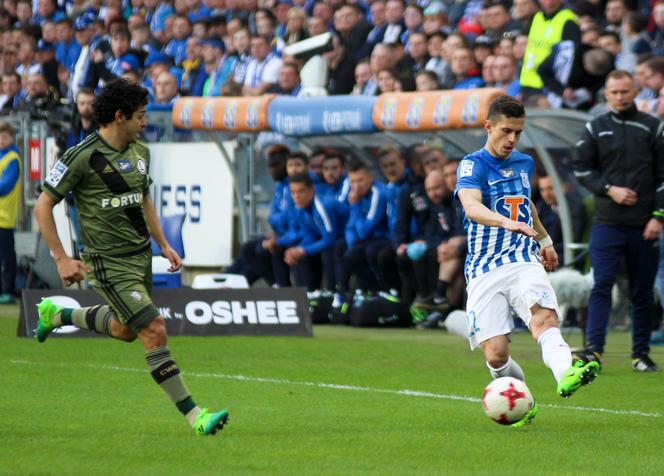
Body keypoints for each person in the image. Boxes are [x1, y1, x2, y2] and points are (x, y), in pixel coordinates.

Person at [33, 79, 229, 436]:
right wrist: (61, 257)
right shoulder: (80, 156)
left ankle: (57, 313)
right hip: (107, 262)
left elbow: (143, 198)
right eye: (139, 116)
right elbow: (44, 204)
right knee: (153, 330)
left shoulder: (141, 151)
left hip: (139, 256)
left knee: (125, 330)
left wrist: (165, 244)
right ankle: (195, 415)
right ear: (119, 116)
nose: (145, 123)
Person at [455, 95, 600, 428]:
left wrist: (544, 239)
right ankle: (524, 401)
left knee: (543, 318)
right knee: (496, 355)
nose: (512, 139)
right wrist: (506, 222)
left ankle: (568, 372)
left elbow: (527, 205)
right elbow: (471, 206)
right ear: (489, 126)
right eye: (506, 131)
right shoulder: (472, 164)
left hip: (523, 257)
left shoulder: (524, 162)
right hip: (484, 266)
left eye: (518, 132)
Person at [573, 70, 664, 372]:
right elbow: (581, 169)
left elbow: (663, 178)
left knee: (642, 290)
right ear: (606, 95)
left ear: (636, 90)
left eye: (625, 91)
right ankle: (594, 352)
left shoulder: (653, 127)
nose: (620, 97)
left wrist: (658, 217)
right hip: (607, 222)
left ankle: (640, 354)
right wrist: (609, 190)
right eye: (615, 92)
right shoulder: (595, 127)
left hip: (643, 225)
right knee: (601, 285)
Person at [281, 173, 346, 291]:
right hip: (328, 238)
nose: (297, 196)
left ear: (312, 190)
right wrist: (297, 250)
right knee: (295, 250)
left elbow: (330, 238)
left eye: (301, 191)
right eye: (293, 192)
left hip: (345, 238)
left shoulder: (322, 206)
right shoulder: (299, 208)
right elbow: (309, 235)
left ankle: (334, 292)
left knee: (330, 249)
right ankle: (306, 293)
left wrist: (304, 250)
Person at [0, 122, 20, 304]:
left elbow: (6, 186)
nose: (1, 140)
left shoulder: (13, 158)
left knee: (7, 256)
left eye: (4, 137)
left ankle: (8, 290)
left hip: (4, 216)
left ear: (11, 137)